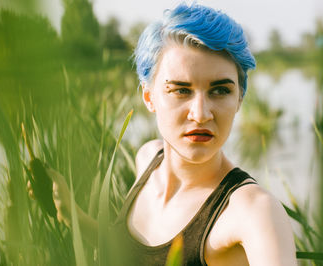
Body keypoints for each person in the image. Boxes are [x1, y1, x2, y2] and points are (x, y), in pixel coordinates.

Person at [33, 3, 297, 265]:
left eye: (220, 90)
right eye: (181, 90)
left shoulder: (253, 211)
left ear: (239, 97)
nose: (201, 114)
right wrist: (72, 216)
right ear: (149, 97)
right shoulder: (148, 158)